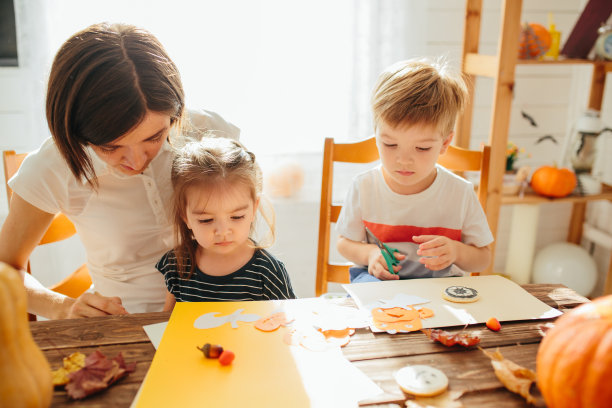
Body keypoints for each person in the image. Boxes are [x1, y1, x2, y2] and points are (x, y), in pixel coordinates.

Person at [0, 23, 239, 318]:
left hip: (221, 313)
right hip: (124, 325)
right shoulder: (55, 165)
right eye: (111, 147)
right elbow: (5, 269)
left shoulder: (207, 133)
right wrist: (64, 307)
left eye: (154, 137)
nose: (136, 161)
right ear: (74, 133)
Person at [336, 58, 493, 282]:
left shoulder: (459, 193)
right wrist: (370, 253)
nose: (404, 160)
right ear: (376, 134)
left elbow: (483, 258)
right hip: (380, 282)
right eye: (390, 144)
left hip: (439, 285)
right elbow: (344, 243)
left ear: (445, 143)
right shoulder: (364, 186)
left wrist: (457, 251)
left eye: (422, 148)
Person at [156, 137, 296, 310]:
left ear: (254, 209)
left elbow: (288, 326)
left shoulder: (267, 272)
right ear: (185, 217)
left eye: (236, 217)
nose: (223, 231)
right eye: (206, 220)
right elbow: (167, 322)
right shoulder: (177, 263)